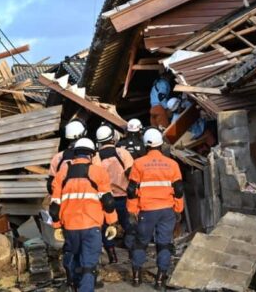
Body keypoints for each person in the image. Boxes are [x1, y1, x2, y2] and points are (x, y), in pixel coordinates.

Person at [50, 138, 119, 292]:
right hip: (91, 226)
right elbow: (108, 202)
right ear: (91, 154)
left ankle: (73, 285)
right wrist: (112, 222)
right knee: (88, 265)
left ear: (74, 153)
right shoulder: (98, 172)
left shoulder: (63, 173)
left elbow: (54, 206)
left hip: (70, 226)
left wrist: (56, 225)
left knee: (72, 257)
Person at [127, 128, 184, 290]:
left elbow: (132, 190)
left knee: (140, 244)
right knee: (164, 244)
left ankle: (136, 278)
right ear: (161, 145)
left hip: (146, 211)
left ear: (146, 145)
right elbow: (178, 190)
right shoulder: (172, 164)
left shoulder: (138, 164)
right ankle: (159, 281)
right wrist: (178, 209)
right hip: (167, 211)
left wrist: (132, 211)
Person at [94, 124, 136, 264]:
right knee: (129, 226)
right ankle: (132, 255)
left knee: (107, 228)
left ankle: (112, 257)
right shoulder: (122, 153)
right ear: (113, 138)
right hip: (124, 198)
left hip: (105, 200)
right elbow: (132, 174)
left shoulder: (96, 158)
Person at [47, 119, 86, 195]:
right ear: (84, 134)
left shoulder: (58, 157)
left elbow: (50, 185)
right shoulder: (92, 157)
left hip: (63, 201)